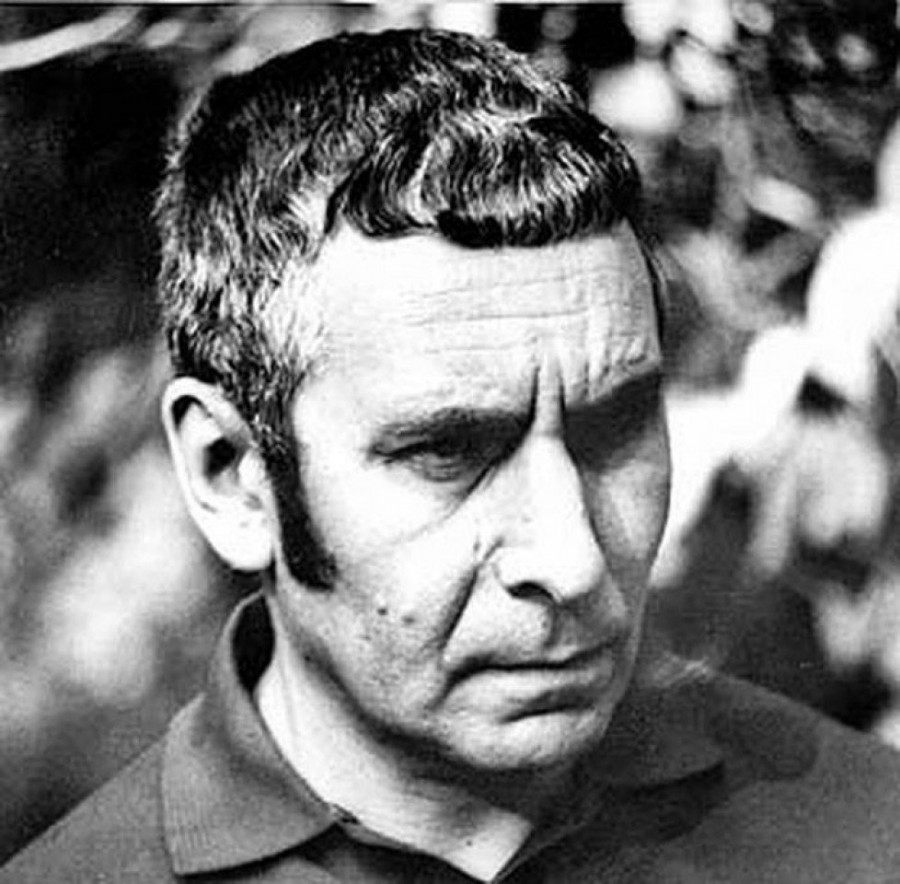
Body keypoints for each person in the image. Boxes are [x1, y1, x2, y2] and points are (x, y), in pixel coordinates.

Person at [4, 27, 900, 884]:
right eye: (447, 454)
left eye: (613, 430)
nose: (573, 561)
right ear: (231, 475)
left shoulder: (869, 834)